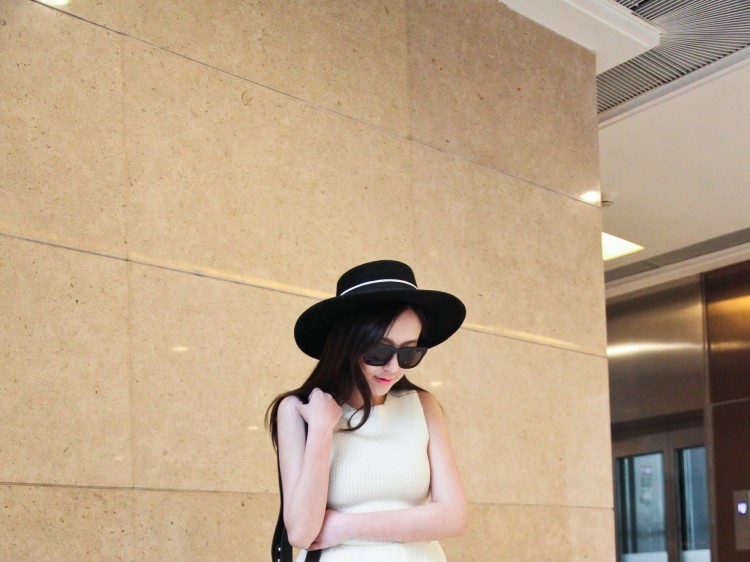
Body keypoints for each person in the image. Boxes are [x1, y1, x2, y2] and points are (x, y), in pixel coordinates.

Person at [266, 260, 468, 561]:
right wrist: (321, 429)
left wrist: (344, 527)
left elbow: (454, 516)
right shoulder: (300, 410)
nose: (393, 367)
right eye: (379, 351)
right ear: (346, 344)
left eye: (409, 352)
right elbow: (301, 533)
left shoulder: (422, 405)